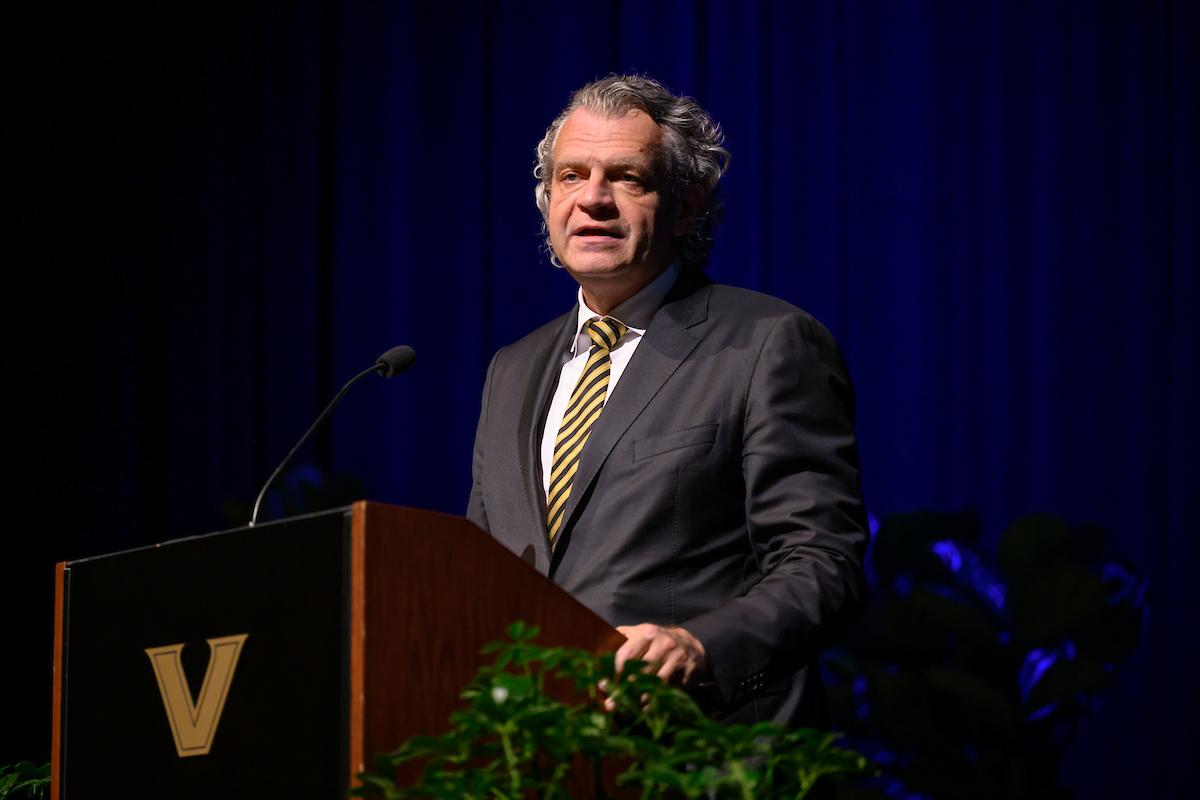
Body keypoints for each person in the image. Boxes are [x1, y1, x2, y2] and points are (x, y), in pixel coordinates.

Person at [466, 75, 868, 731]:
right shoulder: (509, 371)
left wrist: (704, 646)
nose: (592, 199)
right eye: (571, 176)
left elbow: (823, 566)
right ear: (547, 202)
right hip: (535, 757)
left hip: (698, 750)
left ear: (688, 205)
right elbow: (477, 579)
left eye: (628, 177)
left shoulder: (768, 344)